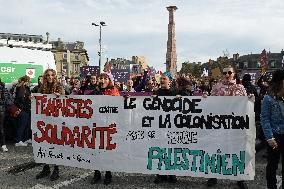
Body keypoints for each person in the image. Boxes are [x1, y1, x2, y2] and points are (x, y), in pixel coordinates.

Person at [207, 66, 248, 189]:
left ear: (234, 74)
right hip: (220, 124)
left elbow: (246, 105)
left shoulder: (240, 88)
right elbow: (210, 104)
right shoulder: (216, 88)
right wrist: (205, 98)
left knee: (236, 150)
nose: (227, 74)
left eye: (229, 72)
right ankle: (213, 175)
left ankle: (239, 177)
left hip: (236, 124)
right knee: (217, 149)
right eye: (225, 73)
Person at [35, 69, 65, 181]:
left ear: (55, 76)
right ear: (45, 76)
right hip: (44, 120)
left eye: (52, 75)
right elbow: (35, 98)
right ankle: (46, 168)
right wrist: (32, 98)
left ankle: (56, 169)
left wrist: (60, 96)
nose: (50, 77)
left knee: (55, 145)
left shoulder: (60, 87)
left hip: (56, 121)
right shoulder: (41, 88)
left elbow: (66, 101)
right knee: (44, 144)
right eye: (48, 75)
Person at [91, 72, 120, 185]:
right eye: (101, 78)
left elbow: (119, 107)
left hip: (109, 126)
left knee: (108, 150)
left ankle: (108, 174)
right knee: (96, 150)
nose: (102, 80)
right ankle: (97, 173)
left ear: (109, 80)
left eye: (105, 78)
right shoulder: (95, 92)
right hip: (97, 125)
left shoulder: (114, 92)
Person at [261, 70, 284, 189]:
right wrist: (269, 137)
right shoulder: (268, 99)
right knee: (272, 165)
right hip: (275, 136)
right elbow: (264, 119)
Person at [153, 71, 177, 184]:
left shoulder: (175, 92)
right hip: (160, 124)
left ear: (169, 81)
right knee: (160, 148)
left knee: (171, 149)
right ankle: (160, 173)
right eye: (161, 79)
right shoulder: (156, 92)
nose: (162, 80)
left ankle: (172, 173)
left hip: (172, 124)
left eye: (164, 79)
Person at [0, 81, 14, 152]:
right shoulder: (3, 88)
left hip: (1, 110)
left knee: (1, 128)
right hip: (2, 110)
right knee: (1, 128)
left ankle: (3, 145)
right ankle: (3, 145)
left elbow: (5, 101)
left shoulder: (3, 89)